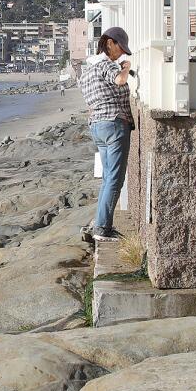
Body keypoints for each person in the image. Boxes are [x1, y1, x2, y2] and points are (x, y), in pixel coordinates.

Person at [79, 26, 134, 241]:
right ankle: (103, 229)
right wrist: (126, 68)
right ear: (109, 42)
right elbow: (119, 80)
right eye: (120, 48)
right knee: (115, 179)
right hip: (113, 124)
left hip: (97, 126)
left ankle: (100, 224)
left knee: (107, 178)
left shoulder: (88, 71)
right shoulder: (105, 66)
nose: (122, 53)